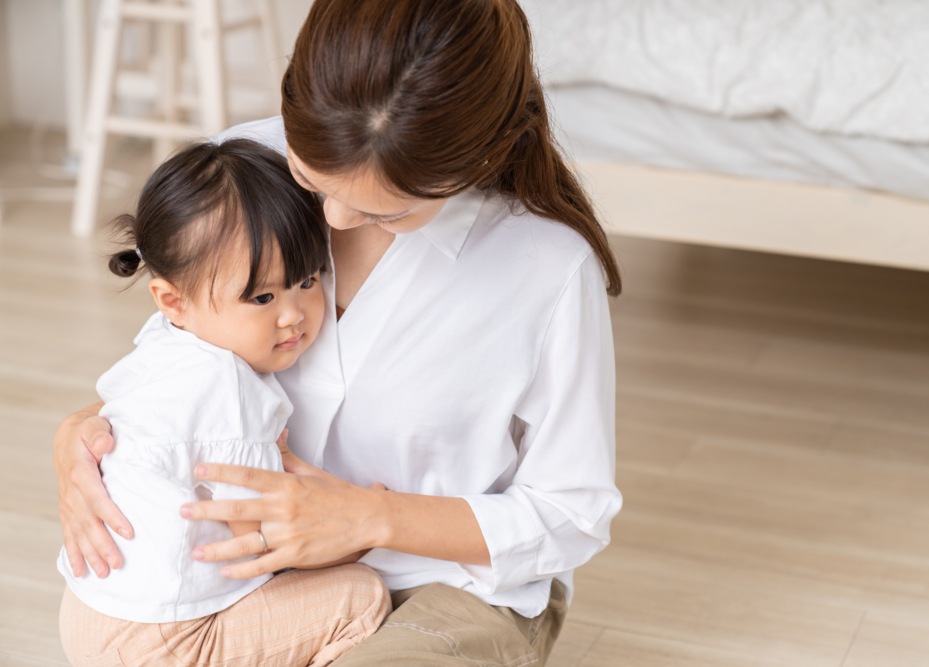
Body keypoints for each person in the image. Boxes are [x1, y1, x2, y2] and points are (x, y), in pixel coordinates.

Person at [53, 0, 622, 664]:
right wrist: (83, 432)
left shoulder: (545, 266)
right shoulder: (245, 172)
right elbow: (192, 354)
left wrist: (370, 518)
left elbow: (572, 513)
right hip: (256, 578)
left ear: (475, 162)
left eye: (390, 211)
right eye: (310, 177)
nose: (335, 220)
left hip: (446, 582)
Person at [57, 139, 390, 667]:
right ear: (173, 300)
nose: (293, 314)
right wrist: (360, 533)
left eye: (307, 280)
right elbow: (264, 542)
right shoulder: (232, 394)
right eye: (262, 297)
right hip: (166, 639)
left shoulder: (164, 340)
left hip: (88, 607)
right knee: (361, 594)